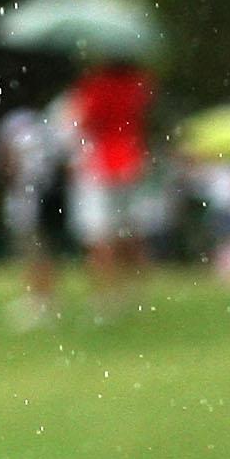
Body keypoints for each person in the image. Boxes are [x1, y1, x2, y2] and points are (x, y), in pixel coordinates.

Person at [68, 59, 154, 312]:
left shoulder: (95, 85)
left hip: (101, 163)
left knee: (99, 234)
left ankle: (106, 294)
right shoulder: (139, 84)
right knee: (130, 230)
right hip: (131, 160)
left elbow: (84, 122)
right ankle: (135, 289)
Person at [0, 102, 71, 325]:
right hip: (46, 196)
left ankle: (40, 299)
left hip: (28, 198)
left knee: (33, 251)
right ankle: (43, 297)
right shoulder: (48, 125)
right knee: (43, 250)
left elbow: (10, 163)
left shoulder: (16, 126)